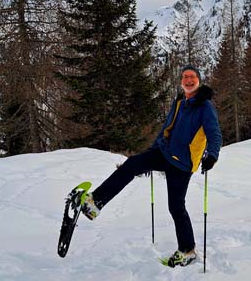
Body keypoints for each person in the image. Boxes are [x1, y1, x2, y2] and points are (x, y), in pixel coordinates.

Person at [80, 64, 222, 267]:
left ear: (198, 80)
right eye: (185, 77)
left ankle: (188, 250)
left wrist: (212, 155)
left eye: (192, 77)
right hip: (163, 152)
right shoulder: (180, 101)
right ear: (181, 81)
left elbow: (214, 133)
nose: (188, 80)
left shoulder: (205, 107)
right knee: (131, 165)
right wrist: (154, 148)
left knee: (176, 207)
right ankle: (96, 203)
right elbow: (167, 127)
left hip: (182, 164)